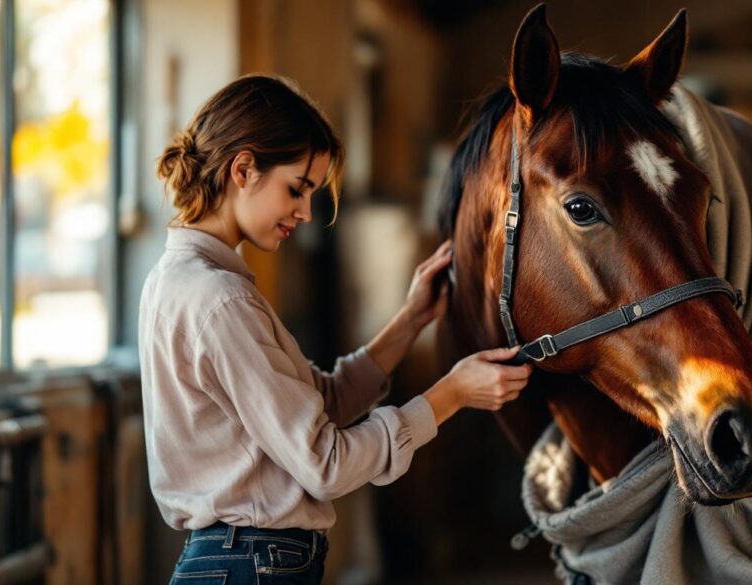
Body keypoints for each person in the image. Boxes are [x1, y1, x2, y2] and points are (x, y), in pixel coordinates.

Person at [139, 74, 532, 584]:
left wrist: (411, 318)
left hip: (238, 560)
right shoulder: (221, 299)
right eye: (296, 189)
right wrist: (451, 394)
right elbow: (326, 464)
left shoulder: (178, 280)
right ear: (243, 169)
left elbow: (318, 405)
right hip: (250, 563)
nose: (305, 213)